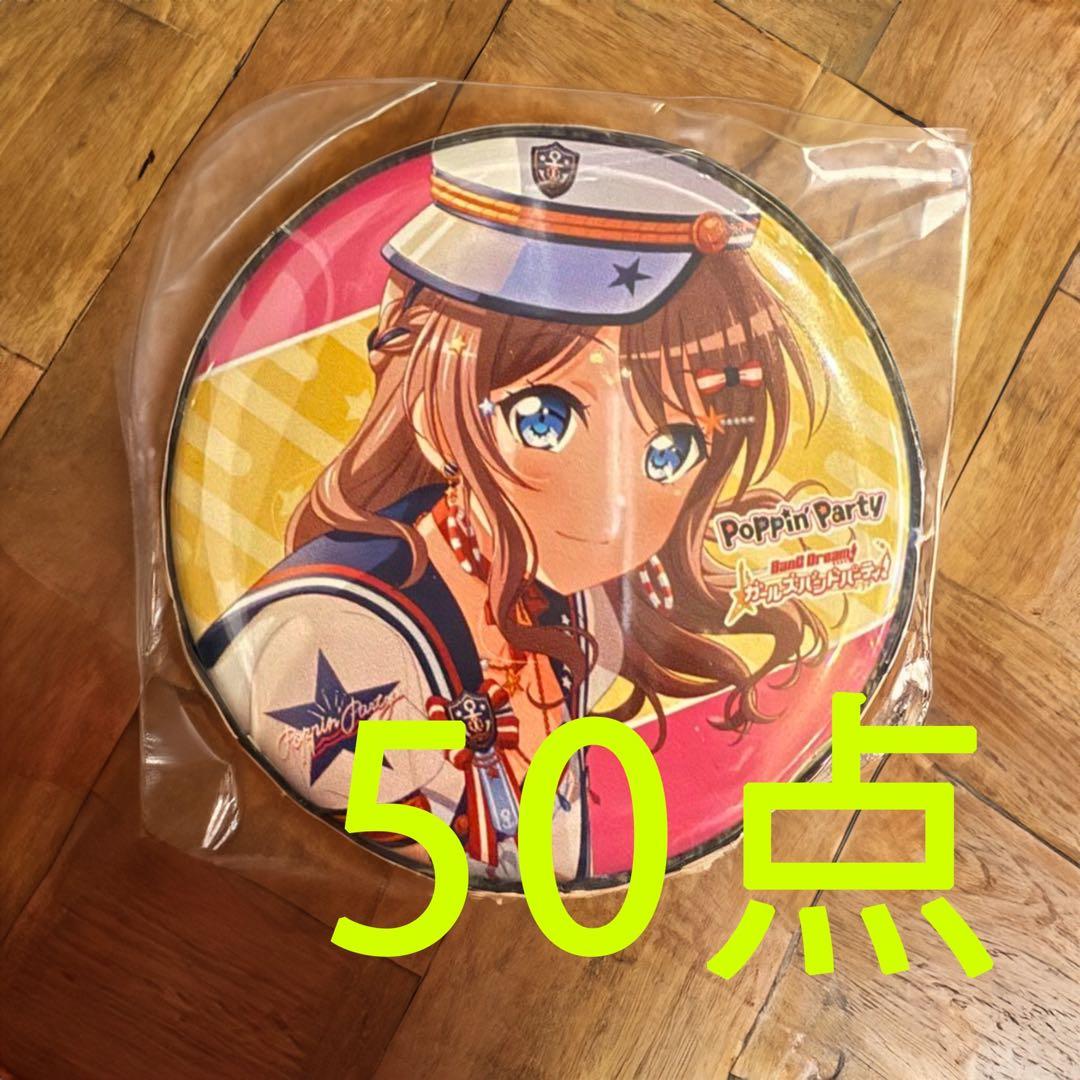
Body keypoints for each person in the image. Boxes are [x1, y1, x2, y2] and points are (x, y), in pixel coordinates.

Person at [197, 131, 825, 885]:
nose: (607, 512)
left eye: (672, 451)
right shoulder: (336, 637)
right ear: (418, 371)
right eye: (544, 419)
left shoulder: (583, 612)